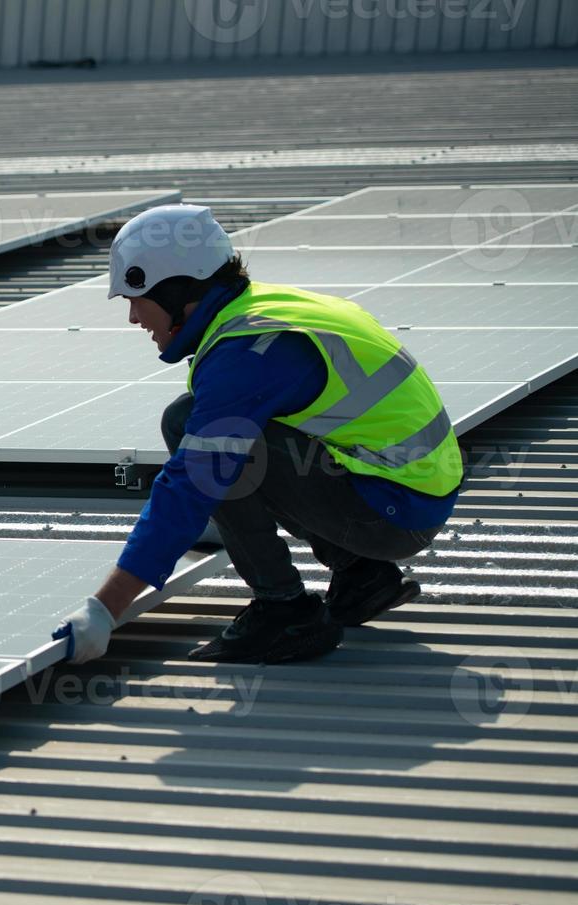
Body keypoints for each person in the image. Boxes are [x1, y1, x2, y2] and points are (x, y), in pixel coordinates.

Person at [59, 204, 461, 665]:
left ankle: (284, 611)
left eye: (136, 298)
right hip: (407, 490)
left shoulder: (249, 353)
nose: (134, 318)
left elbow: (191, 485)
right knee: (204, 427)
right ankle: (361, 574)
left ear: (176, 291)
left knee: (201, 437)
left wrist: (105, 609)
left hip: (394, 512)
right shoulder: (264, 310)